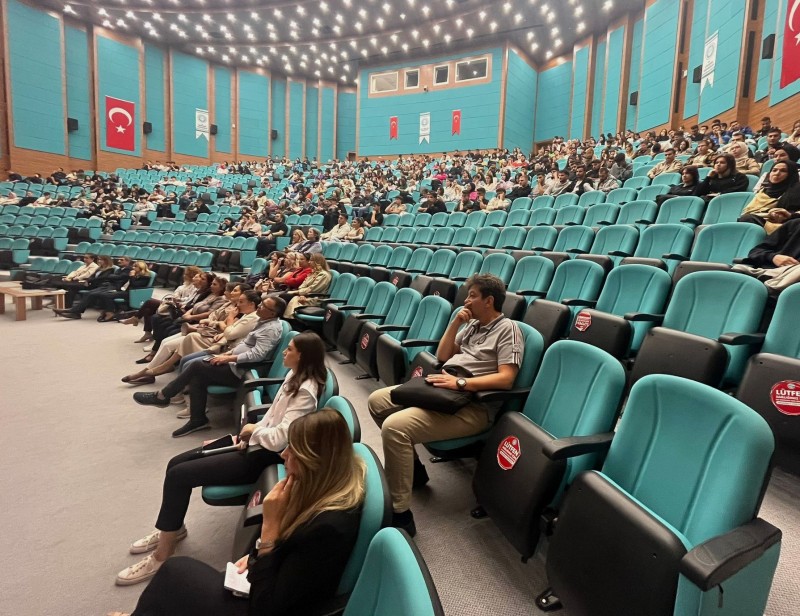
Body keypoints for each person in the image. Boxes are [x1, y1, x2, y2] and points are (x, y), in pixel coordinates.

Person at [117, 332, 333, 592]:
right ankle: (173, 528)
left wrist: (254, 432)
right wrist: (247, 433)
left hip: (263, 456)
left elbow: (280, 440)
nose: (284, 353)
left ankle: (163, 554)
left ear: (303, 356)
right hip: (253, 443)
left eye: (290, 350)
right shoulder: (294, 375)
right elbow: (272, 418)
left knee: (178, 476)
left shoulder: (306, 391)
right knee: (175, 463)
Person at [113, 409, 364, 616]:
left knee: (175, 572)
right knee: (173, 591)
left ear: (314, 461)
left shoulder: (329, 527)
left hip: (264, 605)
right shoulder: (324, 484)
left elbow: (267, 607)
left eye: (294, 451)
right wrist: (255, 555)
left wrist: (267, 536)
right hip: (268, 580)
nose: (284, 455)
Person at [367, 274, 524, 536]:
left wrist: (461, 383)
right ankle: (413, 471)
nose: (466, 301)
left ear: (489, 301)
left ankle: (400, 514)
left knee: (395, 427)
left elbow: (506, 379)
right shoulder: (472, 325)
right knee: (377, 401)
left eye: (472, 296)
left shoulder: (509, 329)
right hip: (445, 389)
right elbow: (443, 355)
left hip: (472, 406)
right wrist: (456, 322)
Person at [132, 296, 288, 437]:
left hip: (243, 370)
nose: (259, 306)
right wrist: (228, 354)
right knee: (198, 376)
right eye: (261, 303)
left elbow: (257, 355)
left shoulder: (271, 329)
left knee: (197, 365)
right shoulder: (263, 321)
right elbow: (245, 345)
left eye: (264, 306)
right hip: (235, 363)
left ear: (273, 313)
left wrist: (227, 358)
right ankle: (198, 420)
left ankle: (163, 396)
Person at [119, 267, 204, 343]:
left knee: (150, 302)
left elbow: (188, 299)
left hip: (178, 306)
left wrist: (179, 299)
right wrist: (176, 298)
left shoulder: (193, 287)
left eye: (186, 274)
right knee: (148, 309)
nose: (184, 275)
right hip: (172, 303)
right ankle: (147, 332)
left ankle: (136, 318)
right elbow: (176, 294)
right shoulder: (184, 284)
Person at [54, 258, 149, 321]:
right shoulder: (129, 273)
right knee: (91, 294)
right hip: (121, 289)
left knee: (100, 294)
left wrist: (131, 277)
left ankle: (108, 312)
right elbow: (111, 277)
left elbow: (135, 285)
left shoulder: (144, 276)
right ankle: (75, 311)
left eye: (135, 266)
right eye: (134, 266)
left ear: (141, 268)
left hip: (131, 293)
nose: (133, 268)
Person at [738, 161, 800, 233]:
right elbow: (749, 212)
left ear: (791, 174)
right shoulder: (763, 191)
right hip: (760, 220)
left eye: (783, 171)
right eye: (774, 170)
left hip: (786, 226)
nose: (777, 173)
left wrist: (789, 215)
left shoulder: (796, 190)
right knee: (746, 219)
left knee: (747, 219)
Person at [282, 254, 333, 321]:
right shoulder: (313, 272)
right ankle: (287, 320)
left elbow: (313, 289)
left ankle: (289, 320)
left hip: (314, 298)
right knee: (284, 296)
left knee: (285, 296)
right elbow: (302, 286)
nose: (309, 262)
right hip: (305, 295)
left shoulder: (324, 275)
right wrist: (300, 293)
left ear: (317, 262)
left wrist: (299, 293)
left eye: (311, 260)